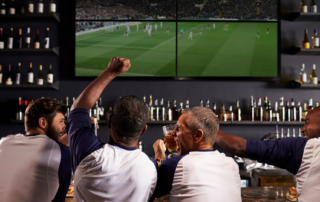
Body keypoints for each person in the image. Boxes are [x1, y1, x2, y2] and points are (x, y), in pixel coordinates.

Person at [67, 57, 157, 202]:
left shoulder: (90, 154)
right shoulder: (151, 167)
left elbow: (78, 109)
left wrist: (110, 72)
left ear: (109, 123)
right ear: (143, 130)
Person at [215, 107, 320, 202]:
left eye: (307, 123)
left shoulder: (307, 147)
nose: (302, 129)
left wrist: (209, 127)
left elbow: (239, 147)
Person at [151, 107, 241, 202]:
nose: (172, 132)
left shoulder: (174, 165)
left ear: (197, 135)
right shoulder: (232, 163)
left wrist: (159, 157)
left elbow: (149, 192)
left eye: (178, 128)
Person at [0, 98, 72, 202]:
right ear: (43, 122)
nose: (64, 127)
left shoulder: (4, 142)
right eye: (61, 121)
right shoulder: (61, 151)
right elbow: (60, 198)